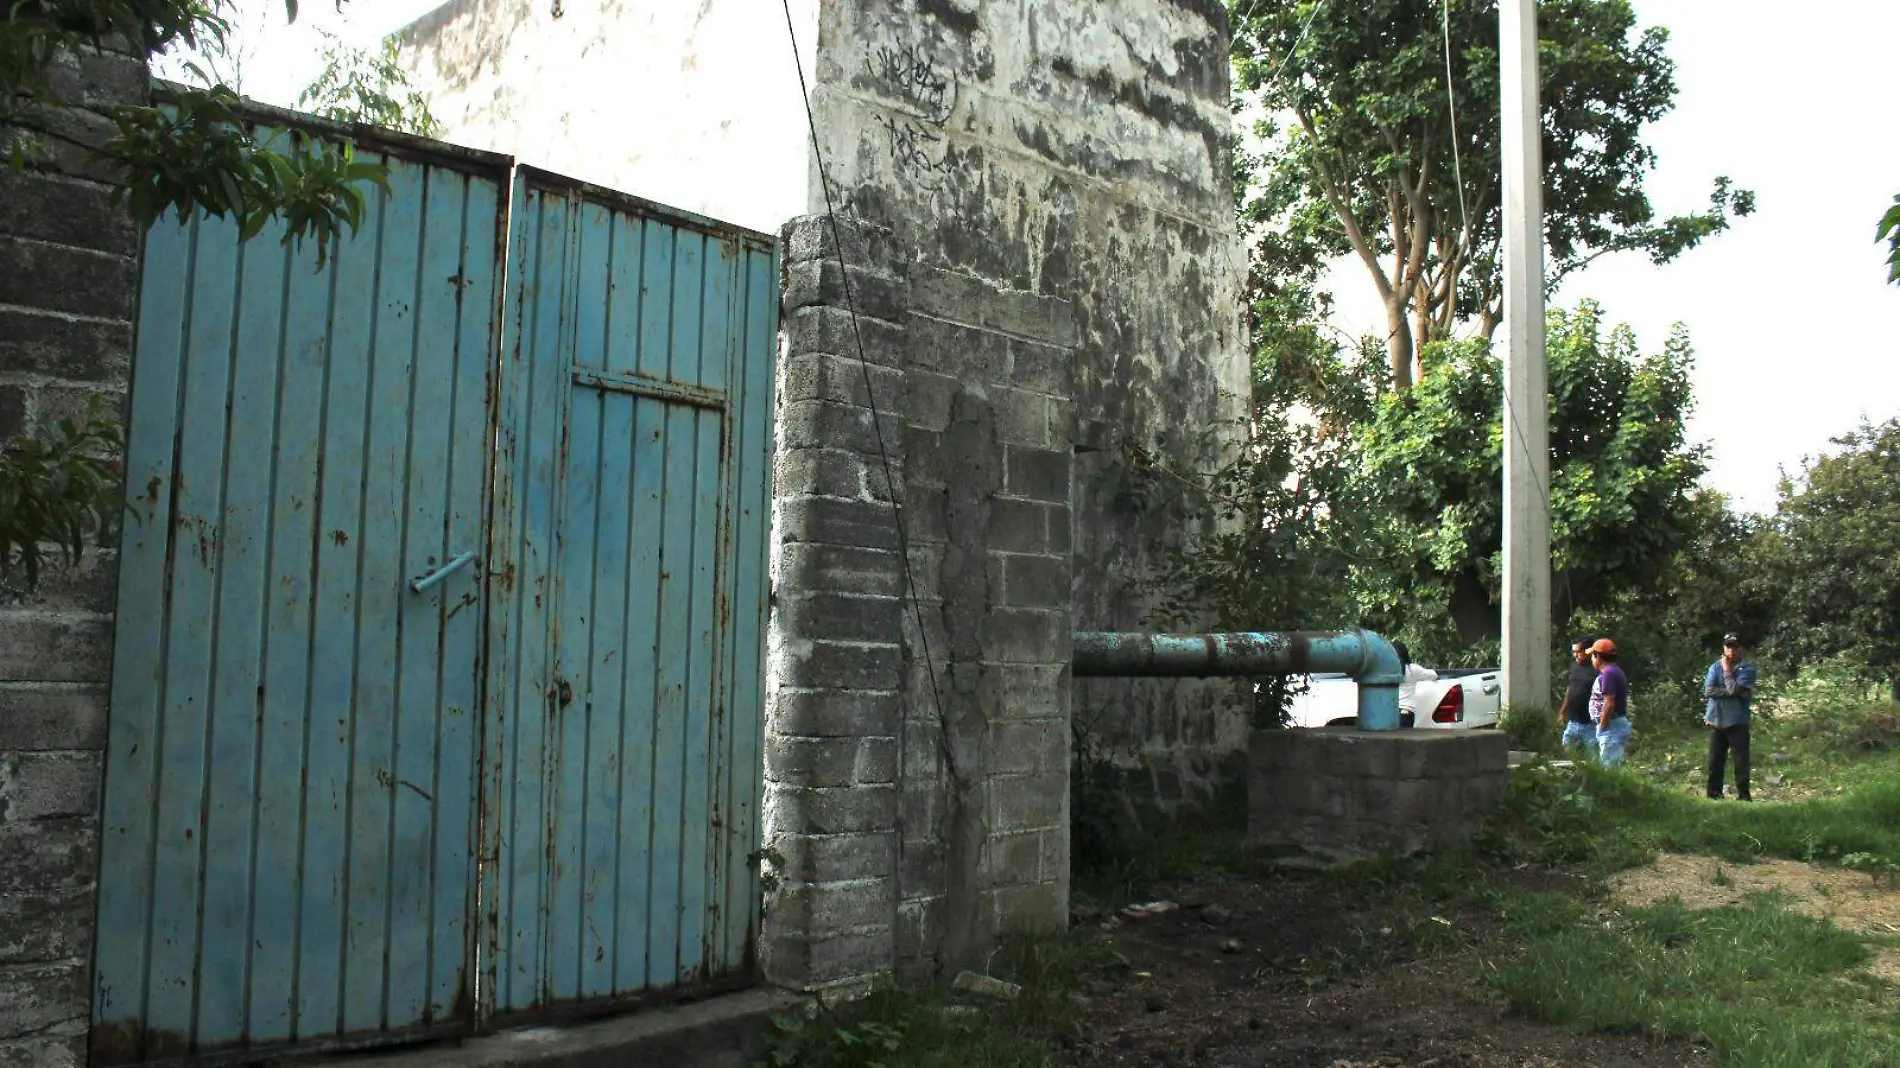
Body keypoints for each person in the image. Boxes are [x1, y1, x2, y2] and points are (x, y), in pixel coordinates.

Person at [1704, 632, 1758, 801]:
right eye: (1728, 646)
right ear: (1724, 648)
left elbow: (1734, 689)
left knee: (1741, 761)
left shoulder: (1747, 668)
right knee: (1715, 761)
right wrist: (1734, 691)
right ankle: (1714, 795)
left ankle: (1744, 796)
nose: (1732, 650)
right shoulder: (1714, 667)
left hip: (1737, 721)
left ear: (1742, 649)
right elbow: (1709, 690)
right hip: (1717, 720)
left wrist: (1727, 672)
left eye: (1735, 646)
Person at [1586, 638, 1631, 766]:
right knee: (1610, 764)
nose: (1591, 659)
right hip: (1613, 724)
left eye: (1592, 656)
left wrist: (1602, 725)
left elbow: (1609, 702)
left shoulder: (1609, 674)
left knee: (1610, 767)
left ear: (1598, 657)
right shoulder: (1613, 671)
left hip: (1611, 726)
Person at [1556, 637, 1598, 754]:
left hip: (1590, 723)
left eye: (1578, 652)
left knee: (1593, 757)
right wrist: (1563, 711)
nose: (1575, 655)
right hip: (1573, 721)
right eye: (1573, 652)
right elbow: (1570, 689)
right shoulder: (1574, 667)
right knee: (1568, 751)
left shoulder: (1597, 669)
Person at [1393, 641, 1437, 729]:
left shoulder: (1387, 670)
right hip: (1407, 711)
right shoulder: (1413, 669)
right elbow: (1434, 675)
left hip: (1390, 710)